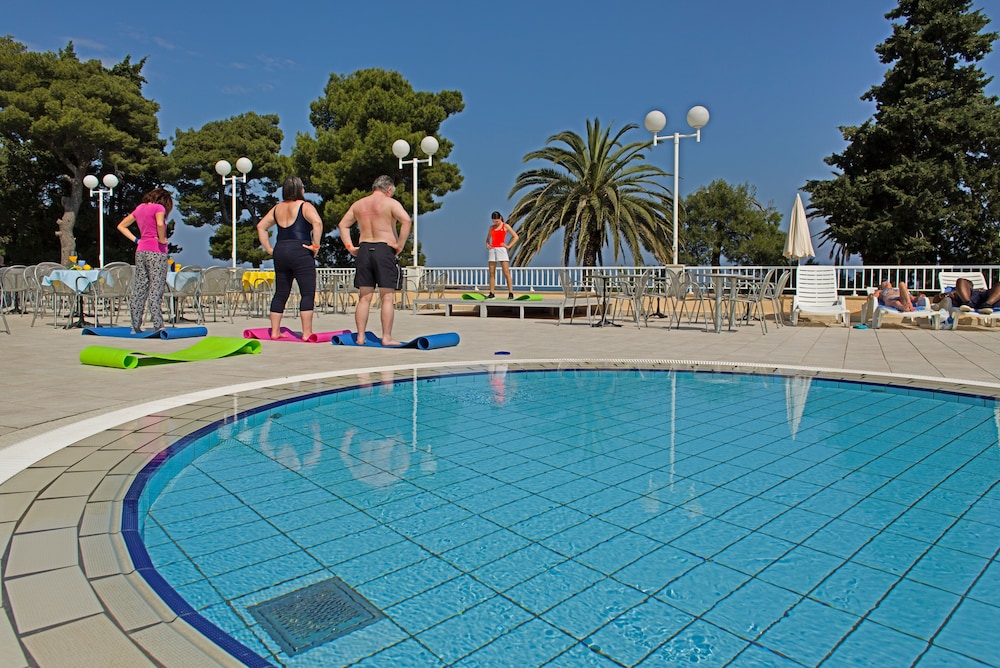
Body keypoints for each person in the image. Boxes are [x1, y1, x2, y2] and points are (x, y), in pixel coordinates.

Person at [337, 175, 412, 345]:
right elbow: (406, 221)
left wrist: (350, 247)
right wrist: (399, 246)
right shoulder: (390, 203)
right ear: (389, 189)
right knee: (387, 297)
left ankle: (360, 337)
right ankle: (386, 337)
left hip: (364, 250)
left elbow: (343, 225)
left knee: (364, 297)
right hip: (384, 249)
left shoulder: (359, 204)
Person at [257, 176, 324, 340]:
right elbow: (317, 223)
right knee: (307, 292)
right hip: (301, 250)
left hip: (281, 250)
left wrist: (269, 248)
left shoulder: (277, 208)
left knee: (281, 292)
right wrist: (315, 245)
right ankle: (307, 333)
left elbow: (261, 226)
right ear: (299, 189)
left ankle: (274, 331)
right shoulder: (305, 206)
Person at [117, 187, 172, 333]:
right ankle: (157, 323)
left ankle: (135, 324)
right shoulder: (159, 208)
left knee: (140, 286)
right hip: (157, 251)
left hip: (141, 250)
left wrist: (137, 240)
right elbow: (160, 224)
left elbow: (121, 226)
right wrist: (162, 239)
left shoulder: (140, 208)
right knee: (156, 286)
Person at [485, 211, 519, 299]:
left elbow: (516, 237)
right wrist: (487, 244)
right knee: (491, 272)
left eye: (496, 221)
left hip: (501, 250)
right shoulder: (491, 227)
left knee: (506, 272)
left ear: (500, 218)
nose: (495, 223)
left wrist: (508, 246)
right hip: (493, 250)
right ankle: (492, 293)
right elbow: (488, 239)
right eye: (494, 221)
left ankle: (511, 293)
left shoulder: (505, 226)